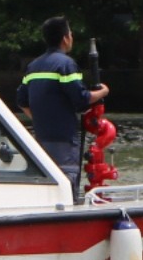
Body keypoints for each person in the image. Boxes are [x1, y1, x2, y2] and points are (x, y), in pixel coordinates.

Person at [19, 16, 107, 198]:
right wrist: (103, 92)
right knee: (66, 186)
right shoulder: (66, 64)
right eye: (71, 34)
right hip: (64, 141)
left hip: (41, 139)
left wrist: (41, 119)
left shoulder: (33, 66)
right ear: (66, 38)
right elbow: (81, 99)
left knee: (47, 185)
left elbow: (21, 101)